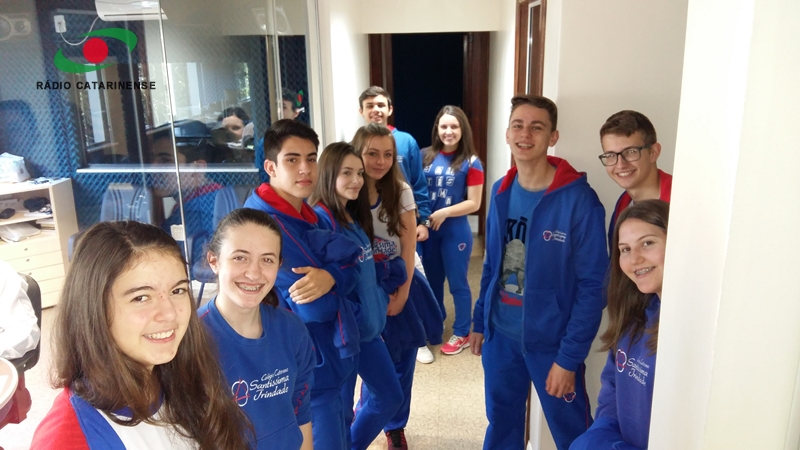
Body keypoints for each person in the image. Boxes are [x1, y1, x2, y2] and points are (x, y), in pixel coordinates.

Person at [30, 221, 251, 449]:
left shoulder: (180, 377)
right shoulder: (67, 439)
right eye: (141, 297)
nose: (169, 313)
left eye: (177, 291)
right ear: (94, 309)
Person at [469, 95, 608, 450]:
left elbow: (593, 287)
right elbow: (492, 265)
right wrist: (480, 321)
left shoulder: (579, 201)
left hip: (553, 343)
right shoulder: (501, 191)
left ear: (553, 136)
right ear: (507, 133)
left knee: (574, 435)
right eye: (518, 125)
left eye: (537, 127)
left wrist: (568, 358)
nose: (525, 134)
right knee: (502, 425)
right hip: (501, 337)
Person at [243, 119, 362, 450]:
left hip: (329, 358)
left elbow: (354, 268)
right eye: (292, 159)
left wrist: (331, 276)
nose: (305, 169)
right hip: (304, 365)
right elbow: (315, 305)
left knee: (342, 430)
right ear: (271, 167)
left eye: (311, 158)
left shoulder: (312, 215)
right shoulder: (262, 224)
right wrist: (344, 287)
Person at [352, 123, 443, 450]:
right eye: (372, 153)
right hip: (363, 289)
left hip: (400, 282)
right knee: (372, 361)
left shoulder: (400, 190)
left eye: (388, 154)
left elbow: (407, 247)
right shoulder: (347, 191)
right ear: (357, 154)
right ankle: (366, 414)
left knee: (403, 359)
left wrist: (402, 295)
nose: (380, 161)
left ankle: (395, 426)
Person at [309, 142, 403, 449]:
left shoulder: (350, 214)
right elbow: (326, 283)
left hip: (368, 332)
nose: (357, 180)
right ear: (329, 174)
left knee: (390, 396)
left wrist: (380, 295)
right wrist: (361, 314)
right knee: (342, 413)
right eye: (347, 173)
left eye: (359, 173)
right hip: (345, 336)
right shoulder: (321, 219)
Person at [198, 208, 316, 449]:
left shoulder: (292, 330)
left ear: (279, 265)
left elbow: (301, 413)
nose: (254, 273)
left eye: (267, 260)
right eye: (240, 257)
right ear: (214, 261)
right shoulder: (191, 338)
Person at [570, 200, 668, 450]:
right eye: (625, 249)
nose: (635, 259)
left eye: (647, 243)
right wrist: (600, 438)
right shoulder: (634, 318)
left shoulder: (689, 333)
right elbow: (612, 389)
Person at [421, 105, 484, 355]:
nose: (449, 131)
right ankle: (435, 323)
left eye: (454, 126)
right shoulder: (424, 156)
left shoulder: (471, 162)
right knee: (432, 281)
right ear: (437, 128)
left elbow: (475, 203)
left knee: (458, 283)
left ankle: (462, 331)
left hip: (454, 230)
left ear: (462, 129)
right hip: (428, 231)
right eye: (444, 126)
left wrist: (444, 212)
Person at [150, 120, 228, 271]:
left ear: (197, 168)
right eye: (153, 159)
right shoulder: (221, 196)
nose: (153, 168)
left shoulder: (193, 216)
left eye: (165, 160)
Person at [358, 86, 431, 243]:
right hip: (368, 219)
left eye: (381, 105)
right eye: (370, 106)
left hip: (403, 215)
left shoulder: (406, 141)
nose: (376, 110)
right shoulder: (356, 144)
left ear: (390, 110)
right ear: (361, 111)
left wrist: (424, 221)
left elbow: (418, 183)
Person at [599, 110, 672, 252]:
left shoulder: (681, 203)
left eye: (631, 152)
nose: (620, 164)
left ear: (654, 152)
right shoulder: (624, 204)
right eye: (611, 155)